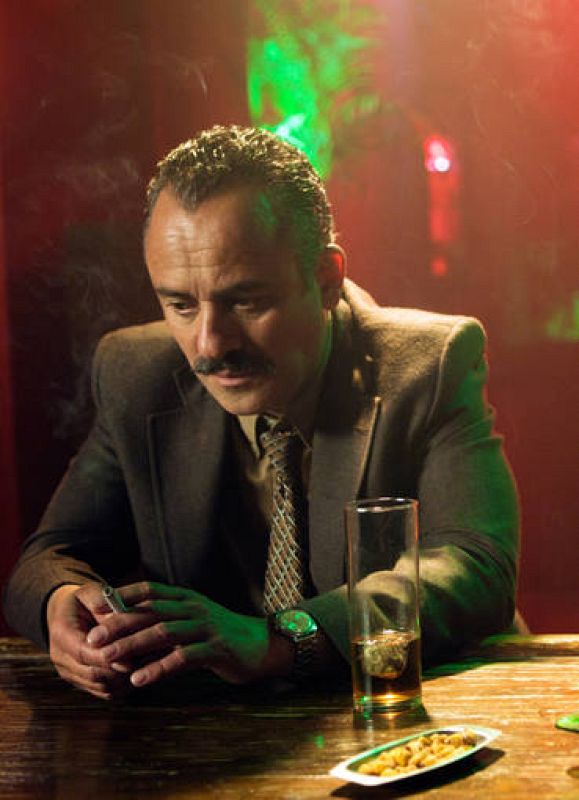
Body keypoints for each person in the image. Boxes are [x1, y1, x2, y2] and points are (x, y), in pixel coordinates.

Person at [3, 125, 520, 699]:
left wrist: (282, 640)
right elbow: (50, 557)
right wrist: (62, 606)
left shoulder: (429, 364)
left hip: (423, 705)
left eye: (245, 301)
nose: (209, 344)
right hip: (217, 735)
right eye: (180, 305)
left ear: (326, 280)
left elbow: (476, 566)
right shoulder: (134, 373)